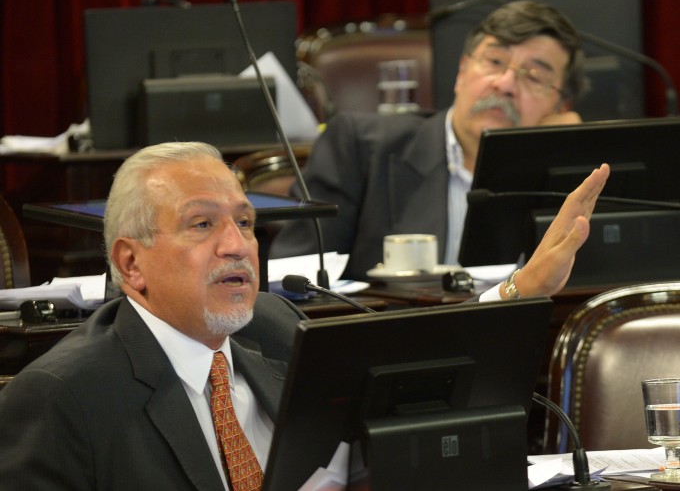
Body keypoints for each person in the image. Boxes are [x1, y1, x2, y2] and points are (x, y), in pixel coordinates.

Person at [0, 140, 608, 489]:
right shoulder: (61, 398)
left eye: (244, 222)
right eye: (202, 224)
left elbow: (416, 374)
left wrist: (521, 289)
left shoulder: (273, 327)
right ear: (131, 264)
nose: (237, 245)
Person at [270, 0, 588, 282]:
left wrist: (567, 150)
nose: (505, 84)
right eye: (494, 62)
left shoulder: (571, 179)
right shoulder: (358, 147)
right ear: (462, 72)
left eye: (533, 76)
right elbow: (292, 278)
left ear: (561, 105)